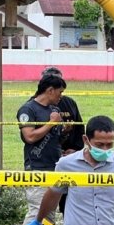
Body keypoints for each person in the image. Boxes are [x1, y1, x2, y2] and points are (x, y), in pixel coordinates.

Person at [12, 74, 66, 225]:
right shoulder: (28, 109)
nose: (61, 96)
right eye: (59, 92)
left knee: (49, 209)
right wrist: (51, 123)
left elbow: (56, 137)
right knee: (37, 208)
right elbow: (30, 137)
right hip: (36, 166)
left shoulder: (54, 110)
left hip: (55, 165)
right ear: (50, 90)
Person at [42, 66, 84, 213]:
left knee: (69, 201)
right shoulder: (34, 107)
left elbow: (80, 128)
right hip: (46, 161)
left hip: (70, 158)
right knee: (45, 204)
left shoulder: (69, 103)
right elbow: (31, 136)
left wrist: (76, 150)